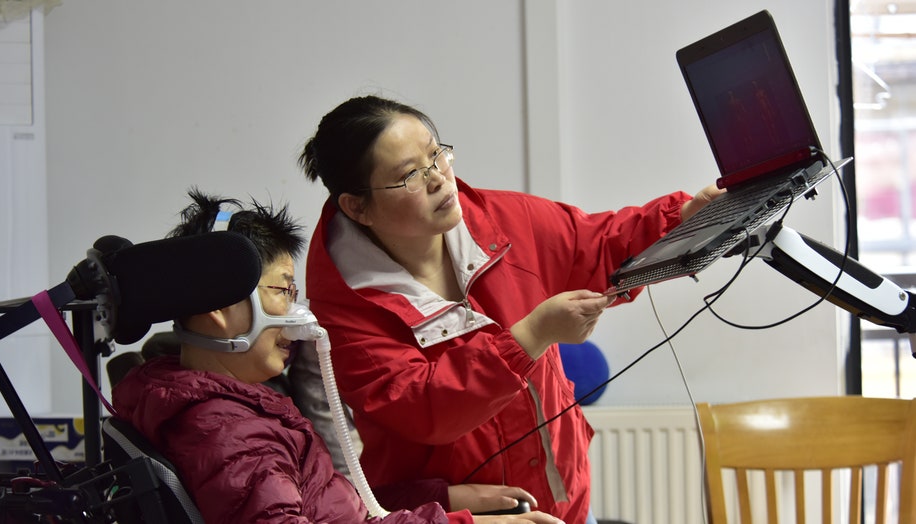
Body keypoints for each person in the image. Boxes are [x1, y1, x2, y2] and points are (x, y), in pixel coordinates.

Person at [299, 95, 723, 524]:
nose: (439, 179)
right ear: (357, 207)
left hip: (566, 501)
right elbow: (426, 407)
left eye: (435, 154)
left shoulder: (500, 218)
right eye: (410, 175)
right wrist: (533, 335)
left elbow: (599, 245)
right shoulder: (344, 309)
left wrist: (687, 220)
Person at [111, 189, 564, 524]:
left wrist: (442, 498)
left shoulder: (232, 412)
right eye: (281, 291)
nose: (298, 311)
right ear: (217, 307)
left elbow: (330, 505)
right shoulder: (232, 435)